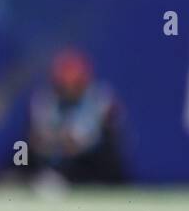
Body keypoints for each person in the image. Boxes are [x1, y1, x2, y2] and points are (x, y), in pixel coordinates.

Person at [28, 49, 125, 184]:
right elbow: (39, 138)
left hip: (91, 160)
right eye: (64, 84)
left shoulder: (100, 99)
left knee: (108, 148)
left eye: (75, 84)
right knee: (24, 151)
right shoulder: (44, 99)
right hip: (57, 157)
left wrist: (74, 140)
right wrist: (52, 140)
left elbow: (86, 139)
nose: (69, 89)